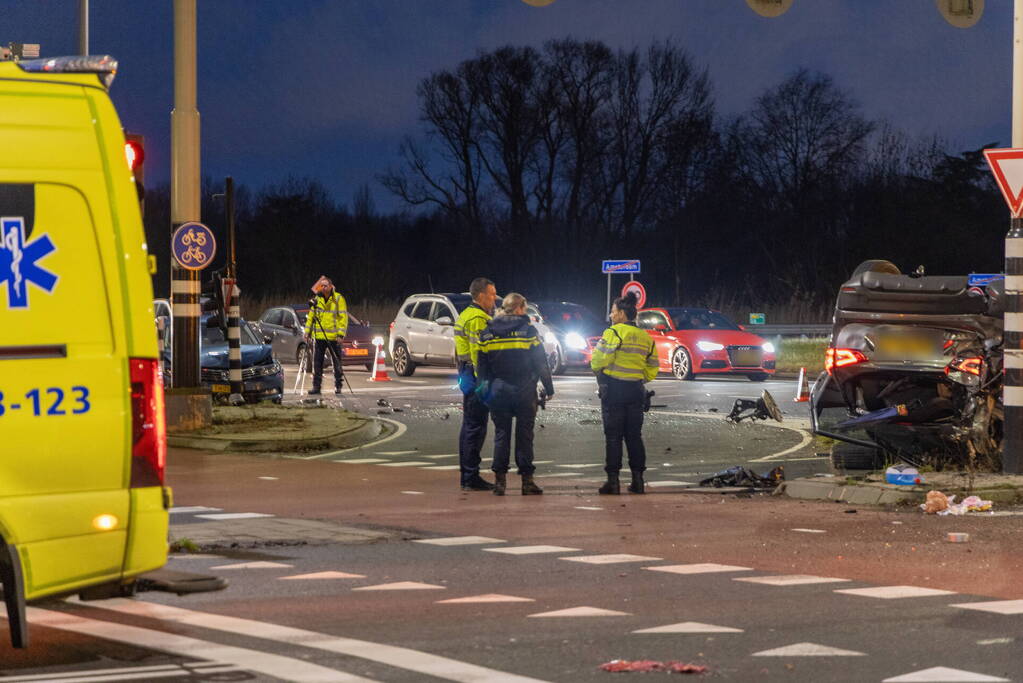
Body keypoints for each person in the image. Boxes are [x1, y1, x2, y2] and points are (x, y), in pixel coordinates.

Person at [476, 293, 555, 496]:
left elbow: (482, 368)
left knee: (501, 435)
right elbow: (541, 363)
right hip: (524, 390)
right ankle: (527, 482)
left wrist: (482, 392)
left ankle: (500, 483)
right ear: (519, 308)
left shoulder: (488, 332)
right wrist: (549, 388)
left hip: (498, 390)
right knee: (525, 436)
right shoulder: (528, 331)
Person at [590, 291, 659, 494]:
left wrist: (605, 371)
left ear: (621, 313)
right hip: (636, 390)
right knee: (634, 436)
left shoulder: (614, 332)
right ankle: (638, 481)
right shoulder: (645, 337)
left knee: (613, 437)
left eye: (613, 311)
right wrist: (639, 377)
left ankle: (613, 482)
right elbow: (653, 366)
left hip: (615, 390)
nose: (611, 315)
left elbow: (598, 361)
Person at [454, 277, 498, 491]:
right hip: (475, 376)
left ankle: (467, 473)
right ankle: (471, 476)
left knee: (469, 426)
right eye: (492, 294)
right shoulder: (478, 319)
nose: (494, 299)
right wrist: (484, 382)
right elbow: (478, 352)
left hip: (466, 373)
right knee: (476, 427)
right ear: (481, 296)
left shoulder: (465, 314)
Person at [303, 275, 348, 395]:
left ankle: (338, 386)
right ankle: (316, 387)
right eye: (321, 285)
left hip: (334, 337)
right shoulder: (317, 299)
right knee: (317, 363)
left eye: (325, 285)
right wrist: (307, 332)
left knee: (337, 363)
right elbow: (311, 316)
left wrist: (341, 335)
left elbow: (343, 318)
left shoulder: (338, 298)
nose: (323, 287)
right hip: (319, 337)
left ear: (331, 286)